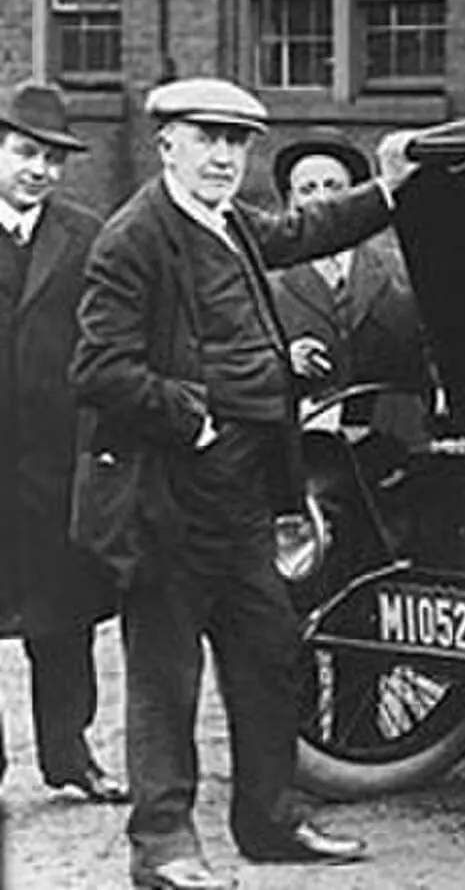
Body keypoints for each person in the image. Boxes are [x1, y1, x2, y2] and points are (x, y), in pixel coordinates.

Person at [69, 78, 418, 890]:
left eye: (237, 141)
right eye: (207, 138)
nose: (225, 155)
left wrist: (390, 190)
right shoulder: (134, 239)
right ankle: (161, 847)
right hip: (166, 498)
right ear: (168, 146)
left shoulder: (230, 224)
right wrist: (193, 418)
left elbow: (307, 227)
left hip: (246, 498)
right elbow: (99, 369)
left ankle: (269, 822)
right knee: (165, 677)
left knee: (268, 655)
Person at [0, 83, 127, 806]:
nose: (39, 169)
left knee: (63, 616)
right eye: (24, 152)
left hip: (55, 461)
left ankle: (69, 755)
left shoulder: (85, 236)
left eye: (52, 158)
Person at [267, 129, 431, 446]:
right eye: (307, 189)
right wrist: (286, 361)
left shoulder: (400, 271)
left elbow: (430, 358)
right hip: (304, 448)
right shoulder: (268, 282)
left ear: (355, 196)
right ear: (291, 202)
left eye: (333, 186)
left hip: (393, 442)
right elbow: (238, 361)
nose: (321, 198)